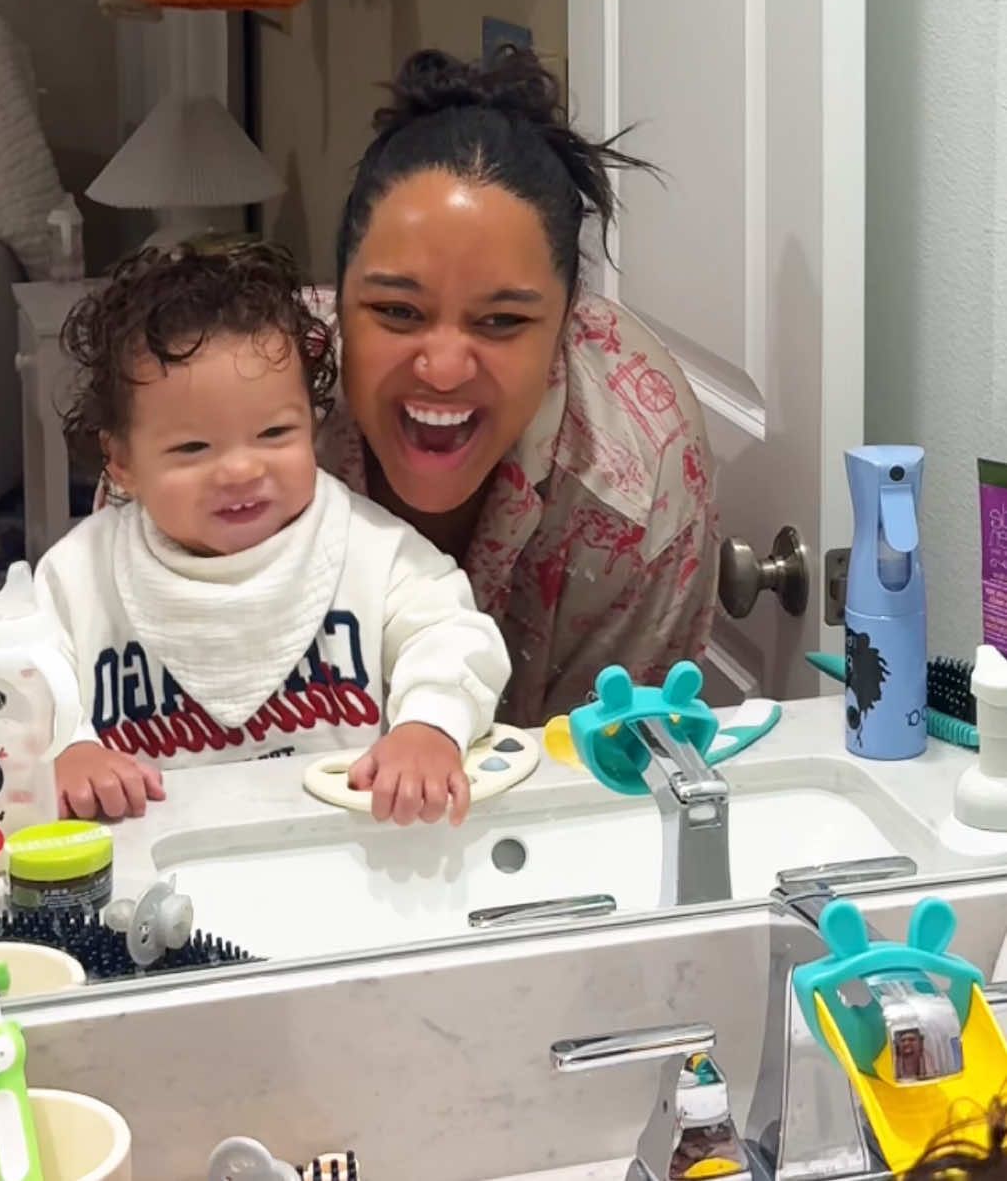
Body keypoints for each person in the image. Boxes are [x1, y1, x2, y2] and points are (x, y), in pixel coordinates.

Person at [315, 47, 719, 726]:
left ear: (567, 322)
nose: (444, 369)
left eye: (501, 321)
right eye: (397, 311)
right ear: (338, 301)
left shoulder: (643, 480)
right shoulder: (235, 410)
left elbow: (611, 767)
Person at [41, 242, 510, 824]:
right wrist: (63, 747)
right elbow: (9, 668)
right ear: (121, 461)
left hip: (343, 845)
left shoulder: (370, 551)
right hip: (148, 851)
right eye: (193, 448)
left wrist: (430, 727)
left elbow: (453, 633)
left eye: (274, 433)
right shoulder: (79, 574)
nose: (241, 469)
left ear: (312, 422)